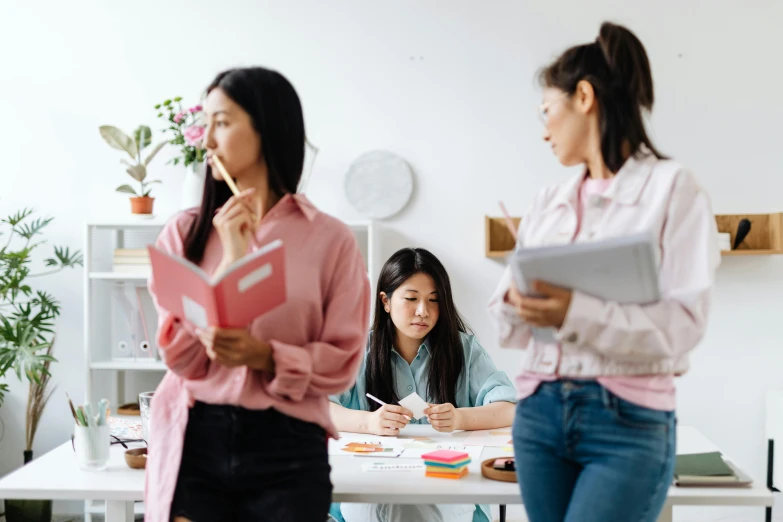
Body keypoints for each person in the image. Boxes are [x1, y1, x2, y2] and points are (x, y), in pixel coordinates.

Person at [488, 22, 719, 522]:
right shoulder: (548, 201)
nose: (544, 130)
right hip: (539, 414)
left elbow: (684, 326)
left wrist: (577, 311)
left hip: (626, 421)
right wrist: (515, 302)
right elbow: (508, 331)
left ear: (585, 97)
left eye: (548, 111)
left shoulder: (672, 188)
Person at [144, 67, 371, 522]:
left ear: (268, 127)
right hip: (195, 437)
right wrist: (231, 257)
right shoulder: (184, 234)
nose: (206, 140)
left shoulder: (330, 240)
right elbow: (180, 357)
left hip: (288, 446)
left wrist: (266, 356)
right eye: (204, 124)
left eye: (222, 123)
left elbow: (343, 360)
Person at [331, 247, 517, 522]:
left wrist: (459, 418)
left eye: (434, 300)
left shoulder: (463, 350)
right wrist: (369, 423)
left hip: (446, 486)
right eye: (411, 298)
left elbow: (509, 408)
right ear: (385, 301)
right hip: (371, 484)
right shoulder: (358, 350)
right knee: (398, 507)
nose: (423, 311)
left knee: (413, 509)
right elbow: (318, 408)